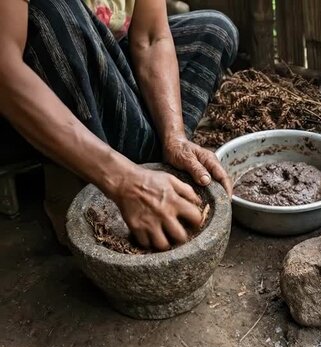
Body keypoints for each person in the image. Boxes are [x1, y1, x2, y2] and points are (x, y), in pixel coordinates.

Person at [0, 0, 238, 251]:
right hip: (23, 99)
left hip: (105, 61)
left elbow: (151, 38)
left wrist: (175, 137)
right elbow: (5, 72)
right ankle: (77, 175)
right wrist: (123, 180)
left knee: (215, 30)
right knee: (55, 9)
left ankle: (149, 162)